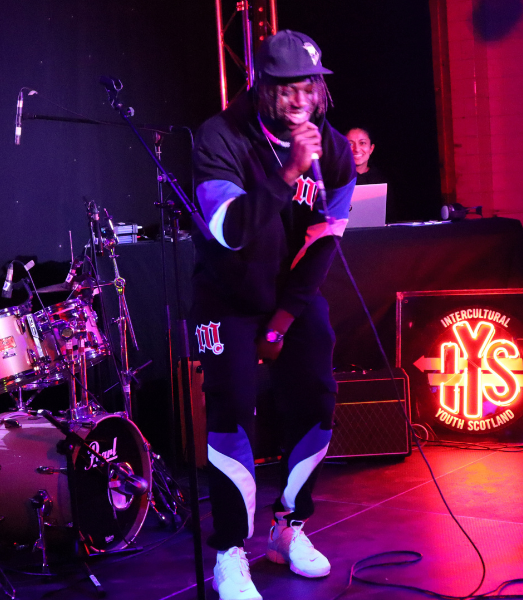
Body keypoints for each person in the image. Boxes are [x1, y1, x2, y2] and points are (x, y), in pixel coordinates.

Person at [191, 30, 356, 600]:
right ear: (261, 86)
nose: (297, 99)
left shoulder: (332, 150)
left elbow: (323, 243)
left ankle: (289, 529)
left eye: (307, 85)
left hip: (290, 297)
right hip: (227, 298)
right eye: (284, 87)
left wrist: (284, 320)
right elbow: (228, 231)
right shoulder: (220, 137)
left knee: (315, 394)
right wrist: (286, 173)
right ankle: (231, 552)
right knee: (234, 408)